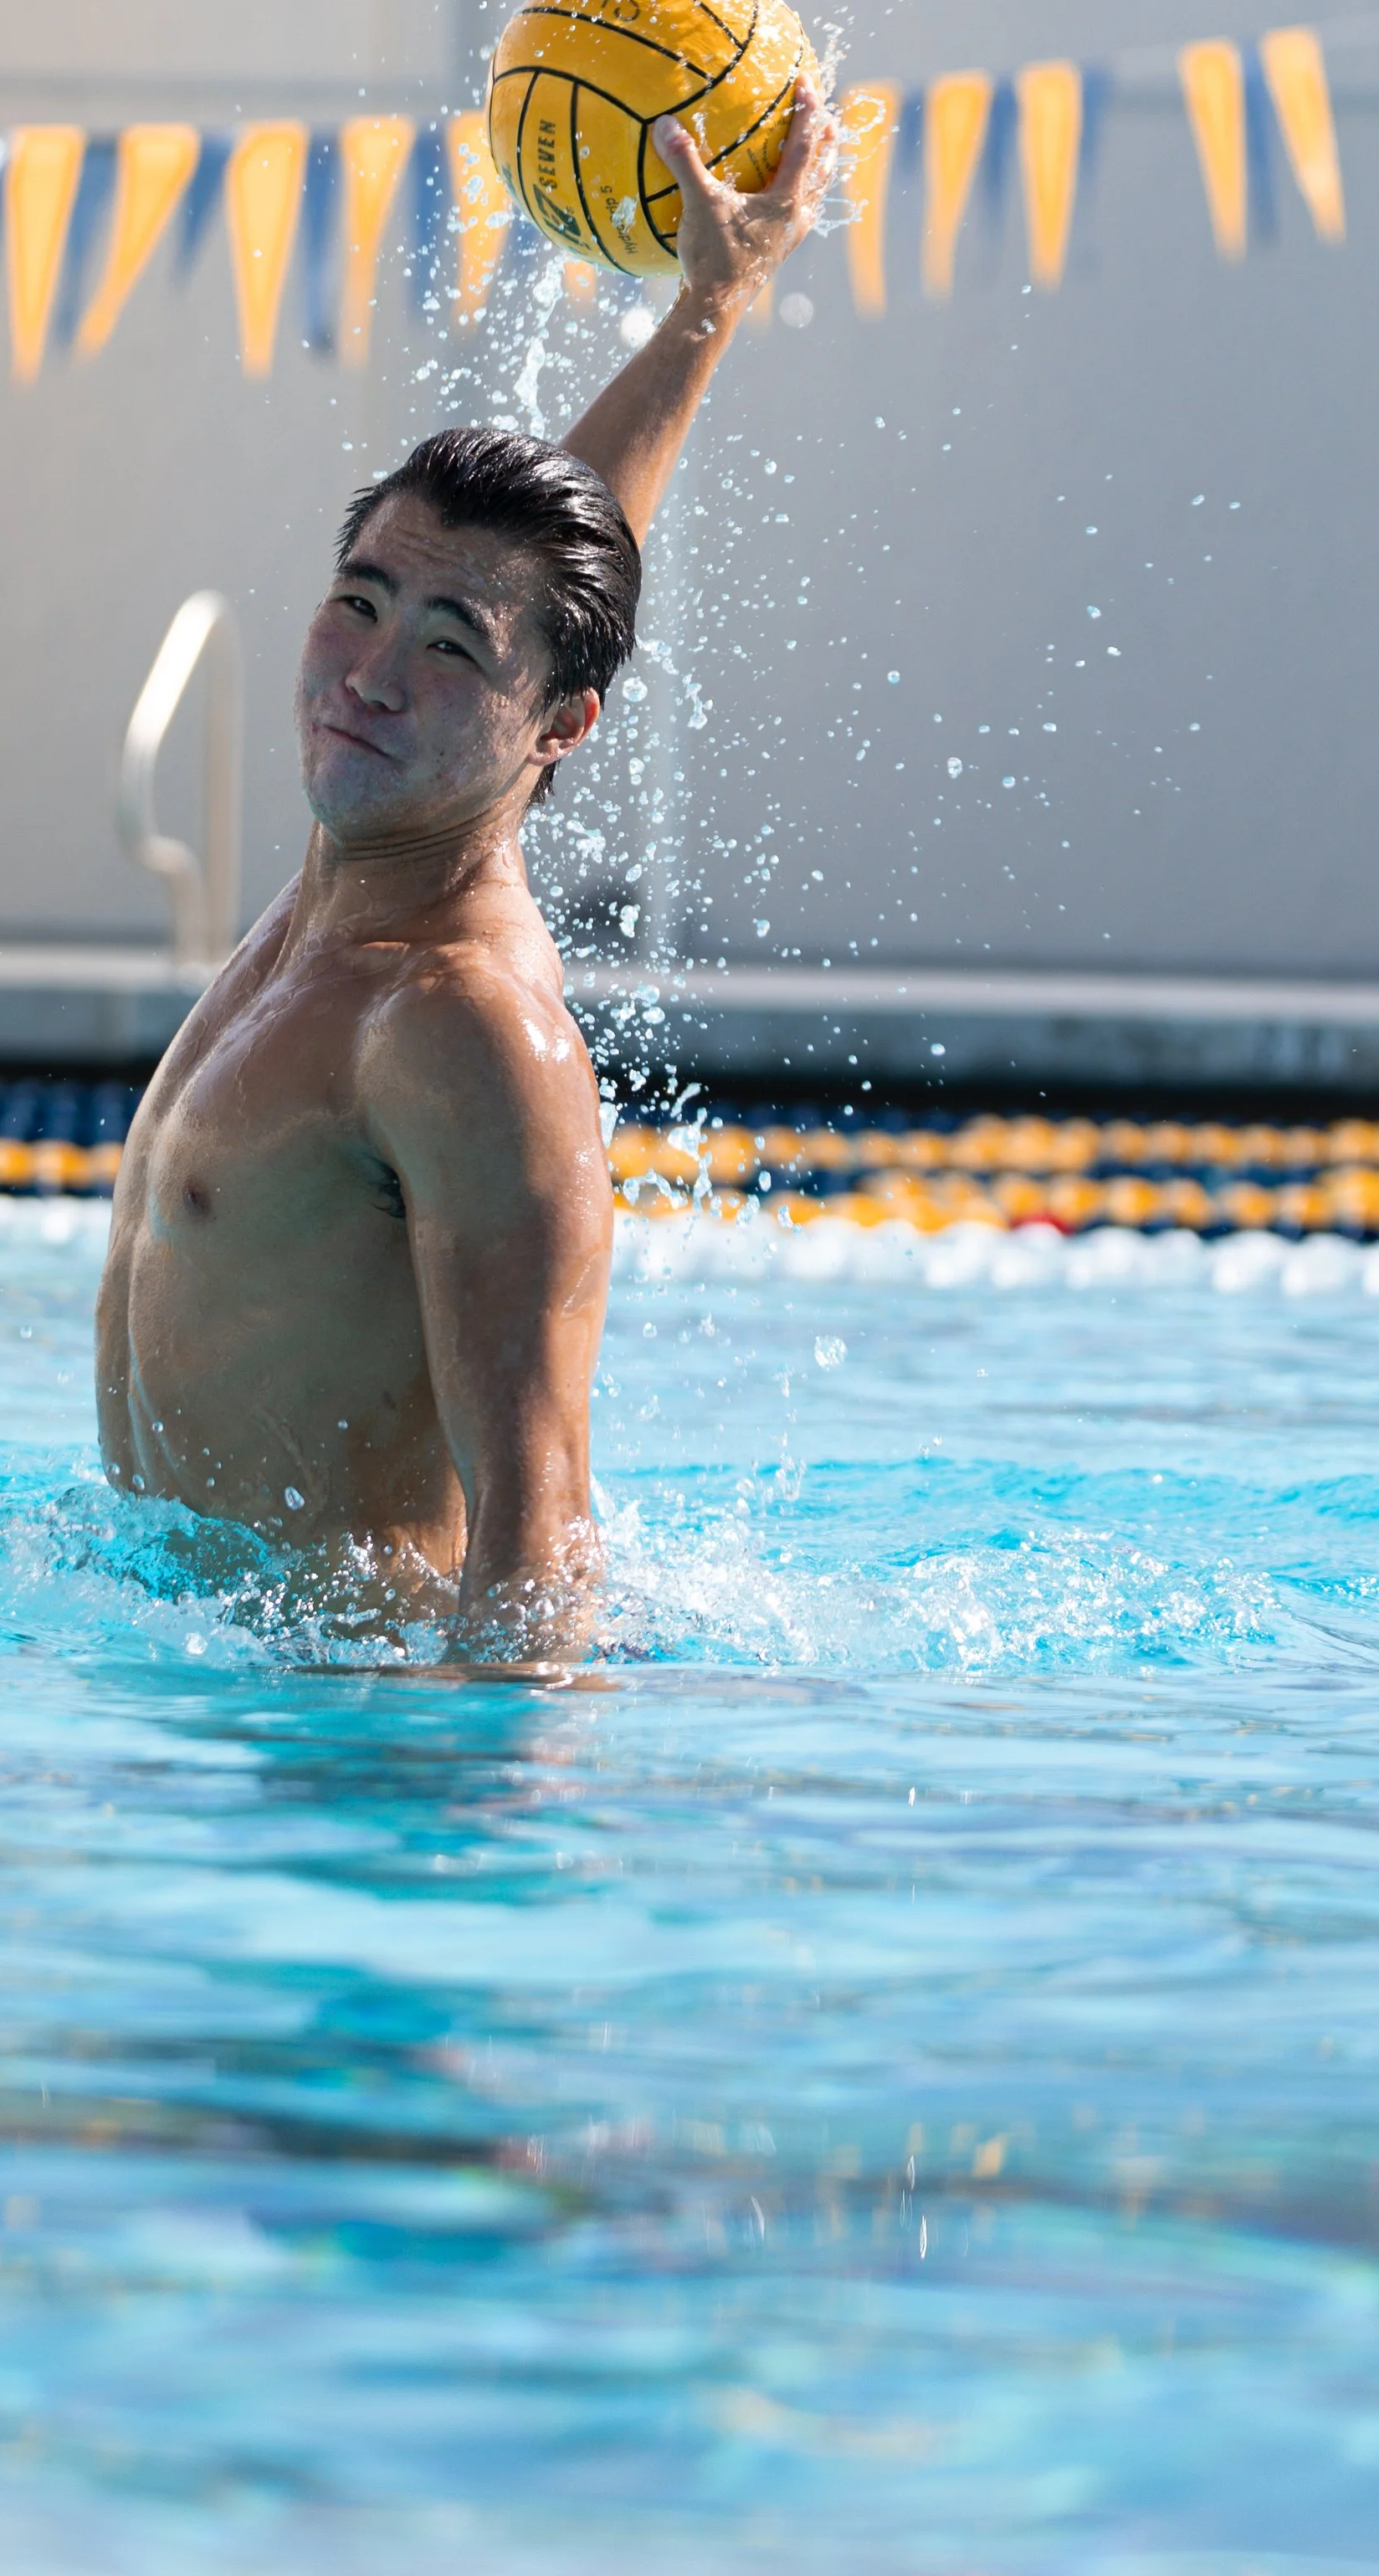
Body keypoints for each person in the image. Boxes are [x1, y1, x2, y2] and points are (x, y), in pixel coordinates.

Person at [97, 86, 835, 1657]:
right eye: (356, 606)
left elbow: (538, 1522)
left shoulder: (456, 1029)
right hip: (207, 1668)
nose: (366, 675)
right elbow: (552, 578)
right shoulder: (340, 898)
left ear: (556, 728)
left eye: (440, 652)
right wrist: (709, 306)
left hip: (348, 1733)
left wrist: (490, 1872)